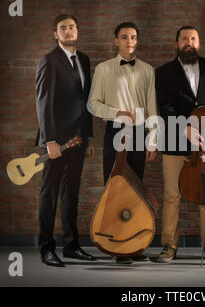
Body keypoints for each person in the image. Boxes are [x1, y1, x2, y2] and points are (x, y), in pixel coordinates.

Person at [155, 26, 205, 262]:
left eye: (193, 38)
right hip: (174, 143)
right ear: (177, 42)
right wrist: (184, 128)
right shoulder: (164, 72)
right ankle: (168, 246)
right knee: (171, 196)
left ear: (198, 43)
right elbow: (164, 107)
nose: (188, 42)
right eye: (184, 38)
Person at [87, 22, 158, 264]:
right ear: (115, 40)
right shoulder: (103, 69)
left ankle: (133, 246)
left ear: (137, 41)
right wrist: (116, 113)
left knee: (136, 190)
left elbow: (152, 107)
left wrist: (153, 139)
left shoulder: (148, 70)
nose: (129, 40)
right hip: (116, 130)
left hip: (139, 132)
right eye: (124, 37)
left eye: (133, 37)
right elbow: (93, 104)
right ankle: (117, 246)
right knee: (115, 189)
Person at [35, 14, 95, 267]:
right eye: (63, 28)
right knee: (49, 194)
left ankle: (71, 246)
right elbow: (43, 102)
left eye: (72, 27)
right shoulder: (48, 60)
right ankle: (46, 248)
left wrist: (89, 136)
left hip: (78, 140)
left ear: (77, 31)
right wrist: (50, 140)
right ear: (55, 34)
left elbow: (86, 102)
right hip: (56, 143)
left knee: (72, 194)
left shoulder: (83, 59)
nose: (68, 32)